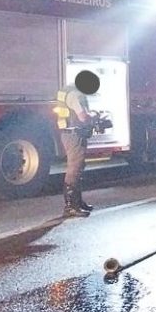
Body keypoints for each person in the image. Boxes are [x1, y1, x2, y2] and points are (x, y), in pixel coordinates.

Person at [56, 71, 100, 218]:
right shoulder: (76, 95)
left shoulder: (68, 90)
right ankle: (71, 206)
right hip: (74, 134)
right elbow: (82, 117)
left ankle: (78, 202)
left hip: (69, 133)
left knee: (79, 166)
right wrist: (94, 118)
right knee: (75, 168)